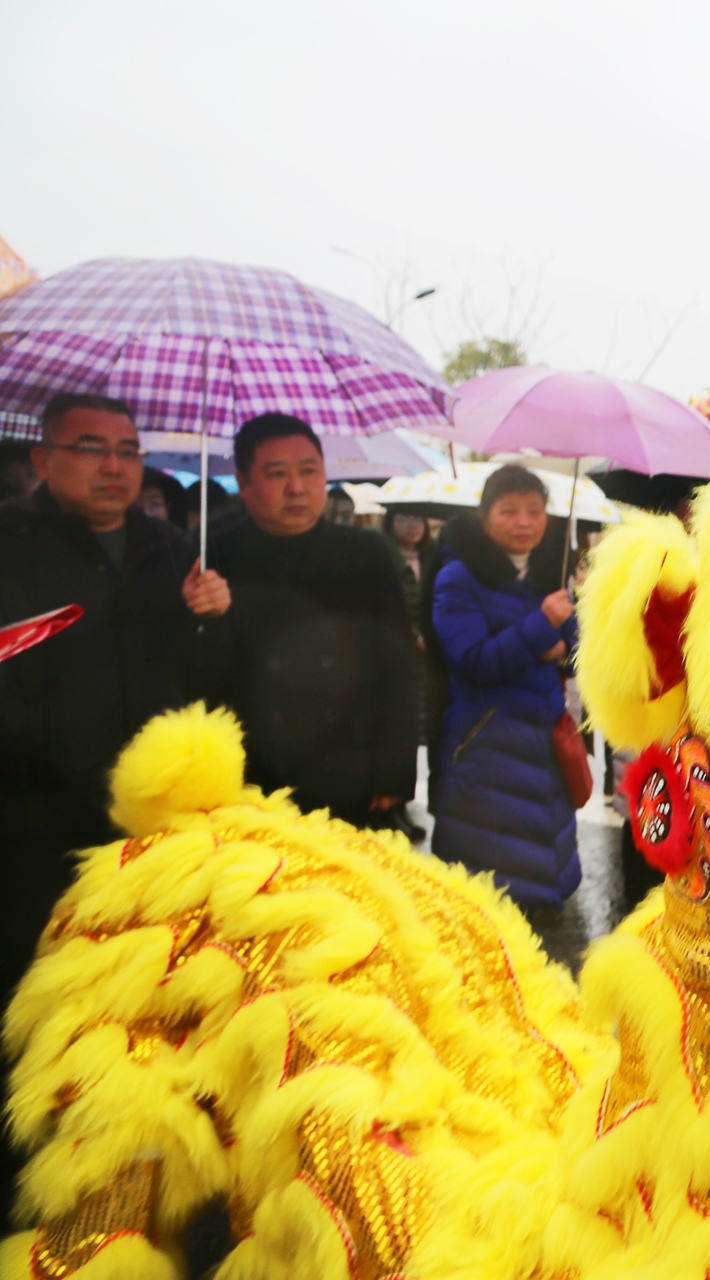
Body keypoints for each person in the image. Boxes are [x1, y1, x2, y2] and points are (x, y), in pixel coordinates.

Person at [0, 393, 229, 1215]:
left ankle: (120, 1185)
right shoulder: (11, 545)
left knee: (132, 1007)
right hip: (28, 827)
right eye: (90, 448)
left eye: (128, 450)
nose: (113, 465)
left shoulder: (173, 551)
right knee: (28, 1003)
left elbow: (203, 685)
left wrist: (214, 618)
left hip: (143, 836)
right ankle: (22, 1181)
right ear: (43, 461)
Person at [207, 413, 419, 829]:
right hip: (245, 772)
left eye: (309, 471)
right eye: (276, 474)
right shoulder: (214, 553)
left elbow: (397, 666)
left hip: (346, 765)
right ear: (244, 483)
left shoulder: (365, 553)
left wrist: (394, 770)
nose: (296, 488)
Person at [428, 465, 582, 917]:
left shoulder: (546, 574)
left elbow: (574, 649)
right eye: (509, 510)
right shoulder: (458, 577)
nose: (524, 522)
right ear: (484, 516)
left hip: (544, 743)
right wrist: (543, 628)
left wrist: (562, 643)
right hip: (487, 744)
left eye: (535, 511)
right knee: (487, 899)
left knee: (540, 880)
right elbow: (472, 660)